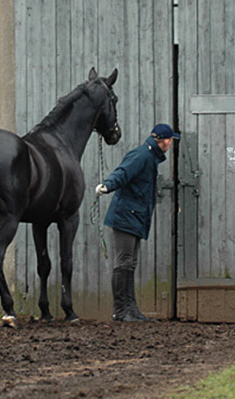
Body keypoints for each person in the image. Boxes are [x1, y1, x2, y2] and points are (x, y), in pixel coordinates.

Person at [95, 123, 180, 322]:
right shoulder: (142, 155)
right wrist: (108, 186)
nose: (171, 144)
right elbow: (123, 172)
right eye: (170, 140)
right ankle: (120, 310)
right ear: (165, 141)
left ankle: (131, 309)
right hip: (126, 215)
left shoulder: (150, 157)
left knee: (130, 263)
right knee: (123, 262)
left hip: (135, 216)